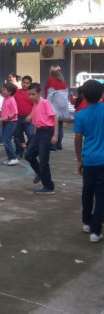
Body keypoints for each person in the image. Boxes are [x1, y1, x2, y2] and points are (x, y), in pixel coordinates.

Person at [74, 80, 104, 243]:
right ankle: (95, 230)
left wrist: (79, 159)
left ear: (83, 95)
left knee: (87, 191)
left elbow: (78, 140)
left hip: (89, 159)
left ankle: (86, 222)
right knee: (101, 195)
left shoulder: (80, 115)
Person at [24, 82, 58, 195]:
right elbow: (35, 121)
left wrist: (55, 135)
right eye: (29, 94)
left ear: (39, 93)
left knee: (44, 161)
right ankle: (39, 172)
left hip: (47, 132)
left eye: (33, 94)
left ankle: (49, 186)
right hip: (39, 133)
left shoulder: (44, 102)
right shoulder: (35, 105)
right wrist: (35, 135)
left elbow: (55, 117)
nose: (31, 96)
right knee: (28, 155)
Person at [44, 65, 68, 150]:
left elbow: (49, 93)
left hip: (54, 106)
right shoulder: (63, 82)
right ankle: (59, 144)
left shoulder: (51, 80)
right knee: (60, 126)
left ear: (52, 72)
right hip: (62, 106)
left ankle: (53, 145)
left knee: (53, 125)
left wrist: (46, 106)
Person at [0, 83, 19, 166]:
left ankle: (13, 158)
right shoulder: (5, 98)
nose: (2, 90)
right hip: (6, 122)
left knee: (6, 140)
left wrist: (5, 118)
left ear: (9, 92)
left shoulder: (11, 100)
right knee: (6, 140)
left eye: (4, 89)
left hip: (11, 122)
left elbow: (15, 113)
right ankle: (11, 158)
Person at [14, 75, 34, 159]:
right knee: (17, 135)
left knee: (30, 134)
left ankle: (29, 151)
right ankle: (19, 152)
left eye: (27, 83)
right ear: (21, 82)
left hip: (28, 117)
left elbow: (35, 106)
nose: (25, 84)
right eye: (24, 82)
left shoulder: (32, 93)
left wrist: (31, 115)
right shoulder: (16, 92)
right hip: (17, 117)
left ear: (30, 84)